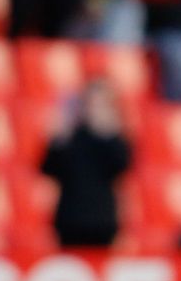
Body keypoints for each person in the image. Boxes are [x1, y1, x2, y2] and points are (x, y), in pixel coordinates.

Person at [42, 78, 132, 247]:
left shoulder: (114, 138)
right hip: (70, 218)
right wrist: (59, 139)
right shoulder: (71, 136)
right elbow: (47, 168)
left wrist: (108, 135)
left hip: (103, 220)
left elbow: (123, 168)